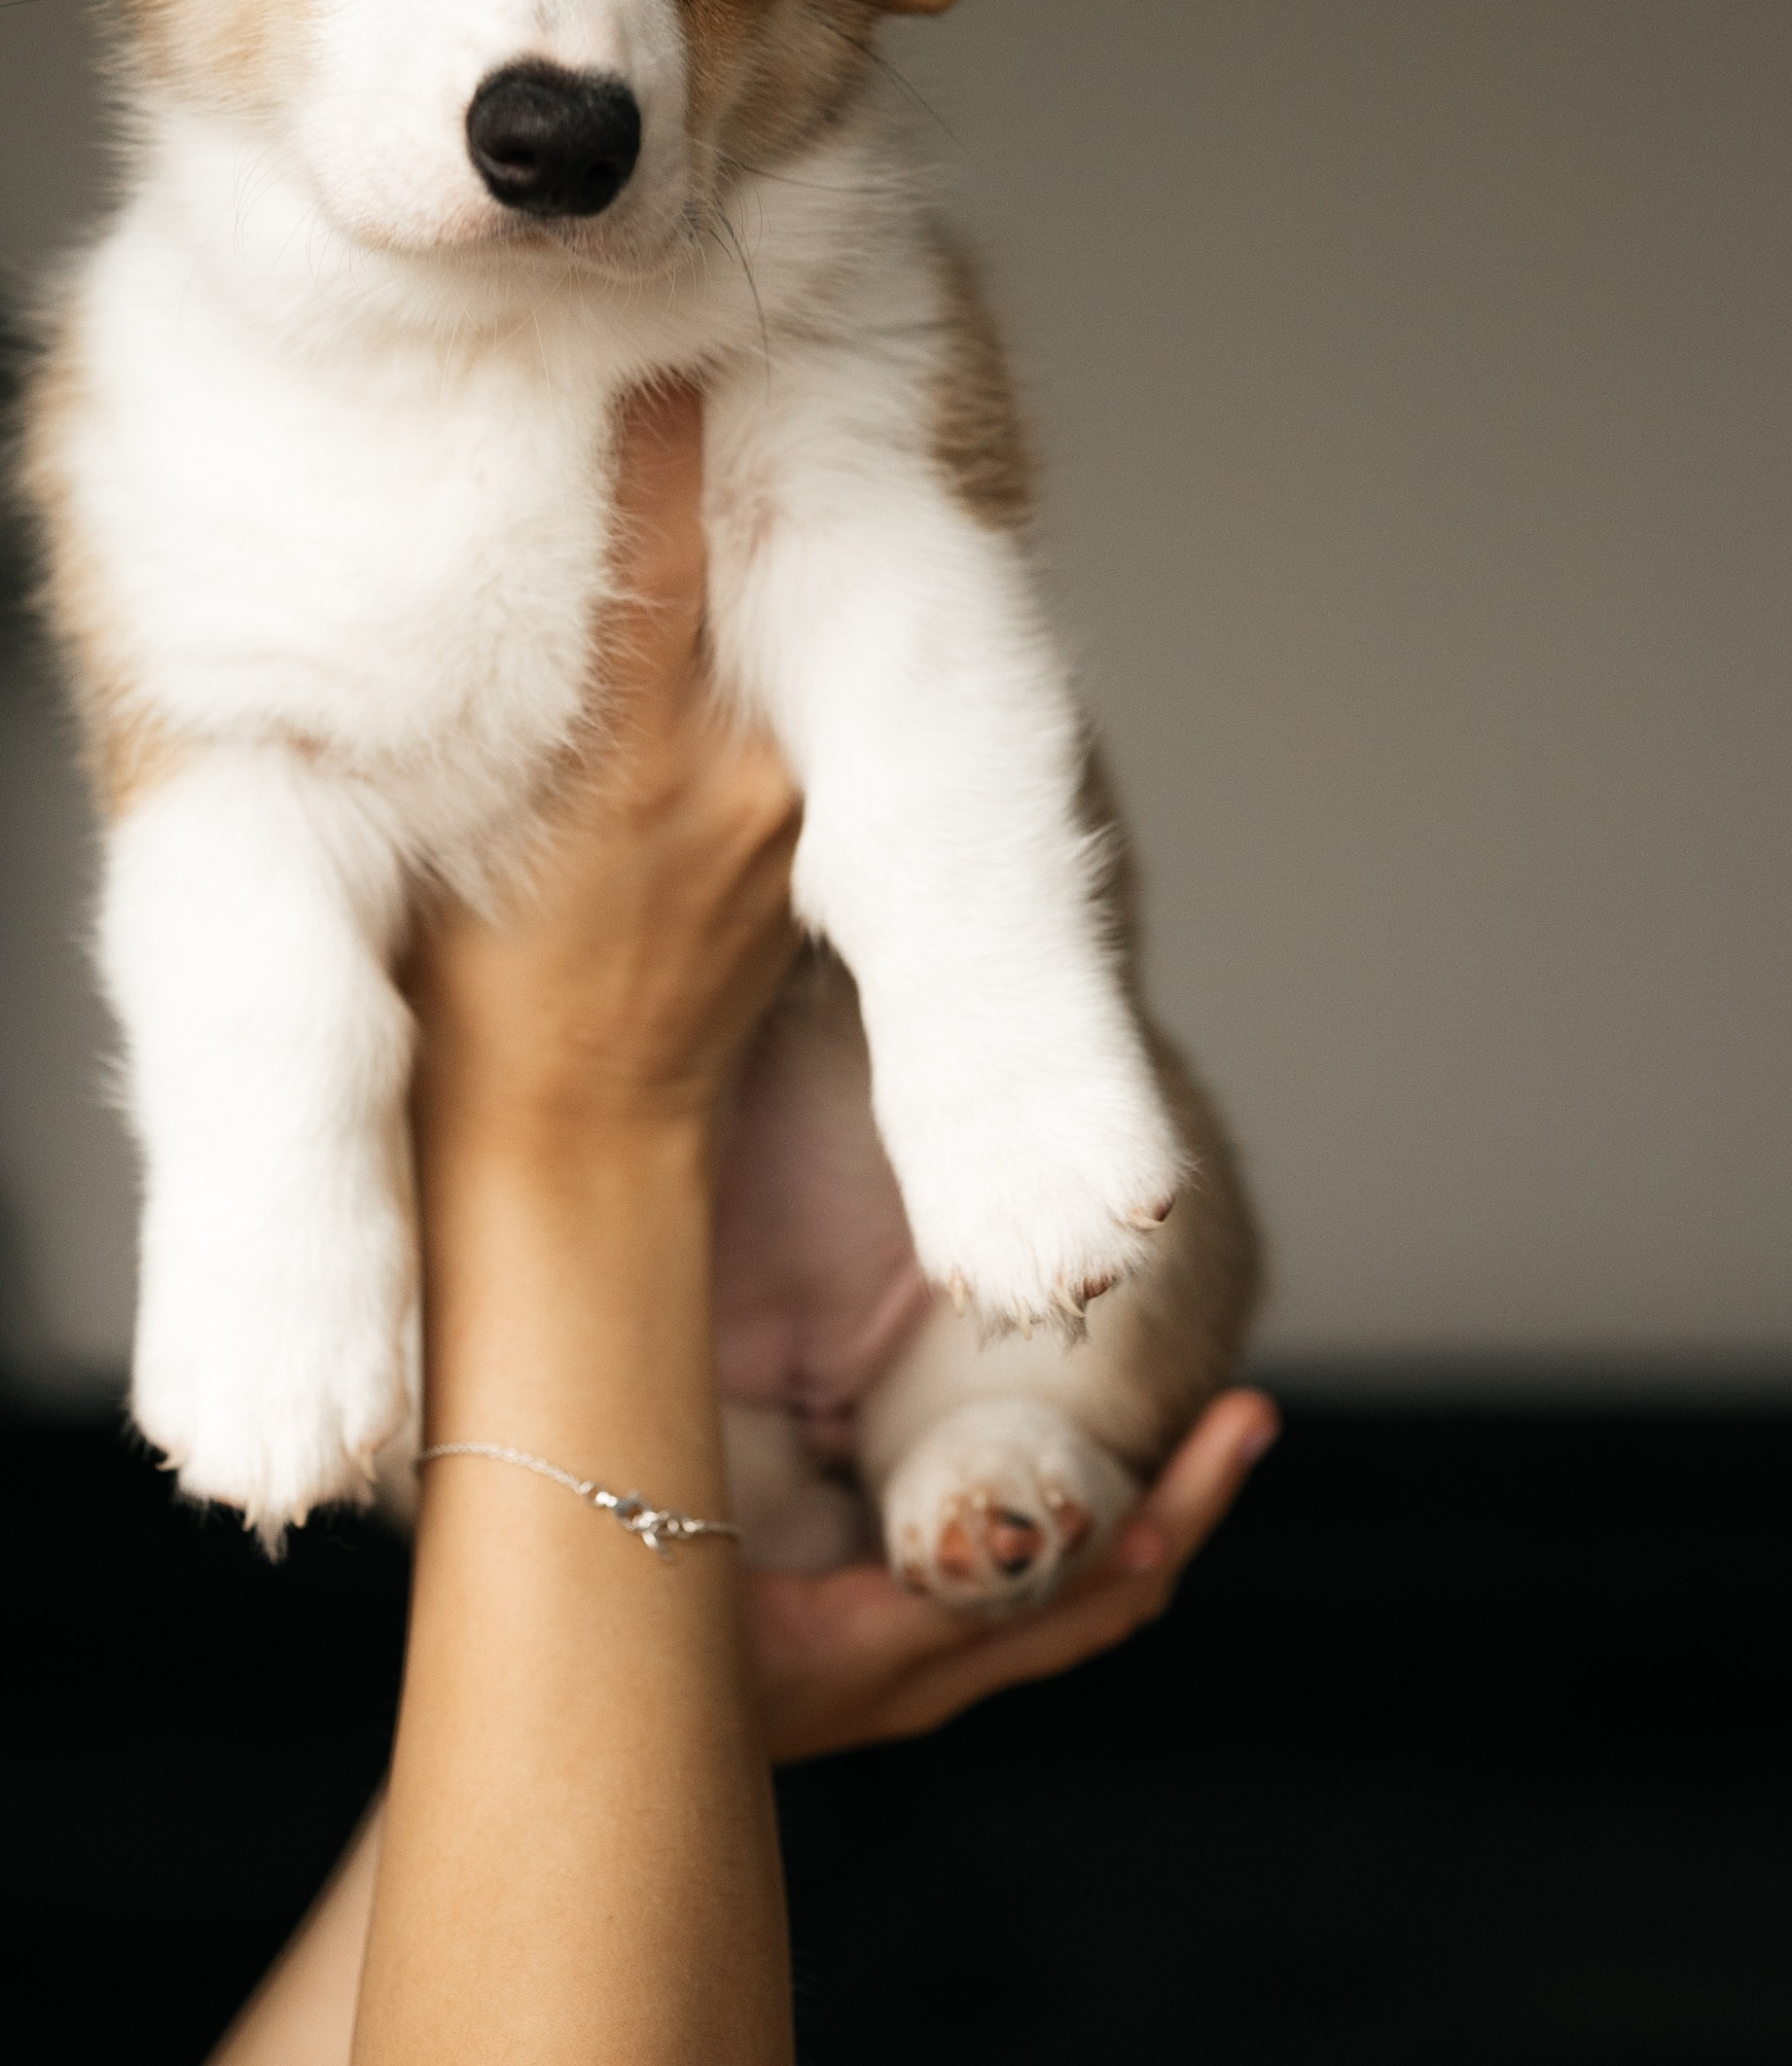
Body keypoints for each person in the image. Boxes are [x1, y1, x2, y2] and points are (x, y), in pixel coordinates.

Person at [212, 385, 1279, 2065]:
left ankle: (1007, 1425)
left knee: (1113, 1215)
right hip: (644, 1363)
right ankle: (962, 1449)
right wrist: (589, 1101)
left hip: (906, 1236)